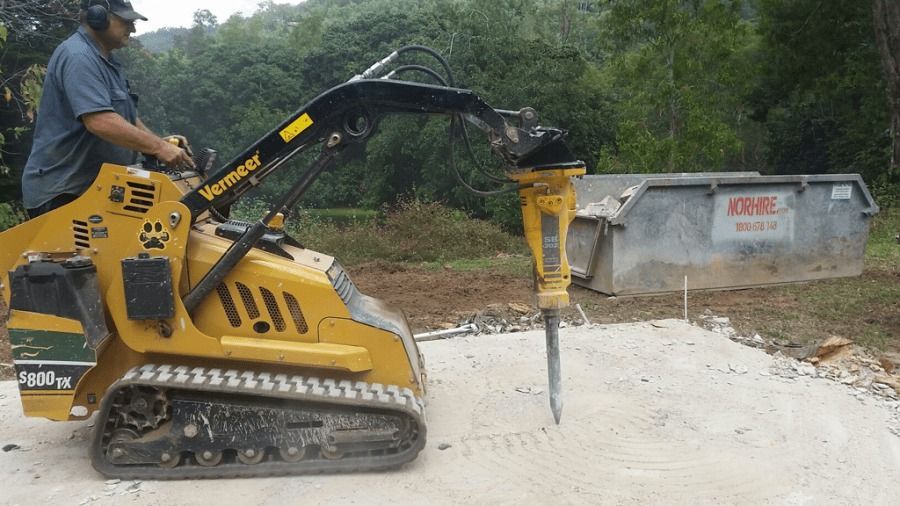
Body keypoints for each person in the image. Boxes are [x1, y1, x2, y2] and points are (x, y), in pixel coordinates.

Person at [21, 0, 195, 219]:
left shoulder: (105, 61)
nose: (133, 28)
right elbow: (100, 121)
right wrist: (159, 147)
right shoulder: (79, 57)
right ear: (98, 17)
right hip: (65, 192)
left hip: (94, 189)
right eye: (126, 22)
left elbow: (125, 117)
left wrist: (157, 143)